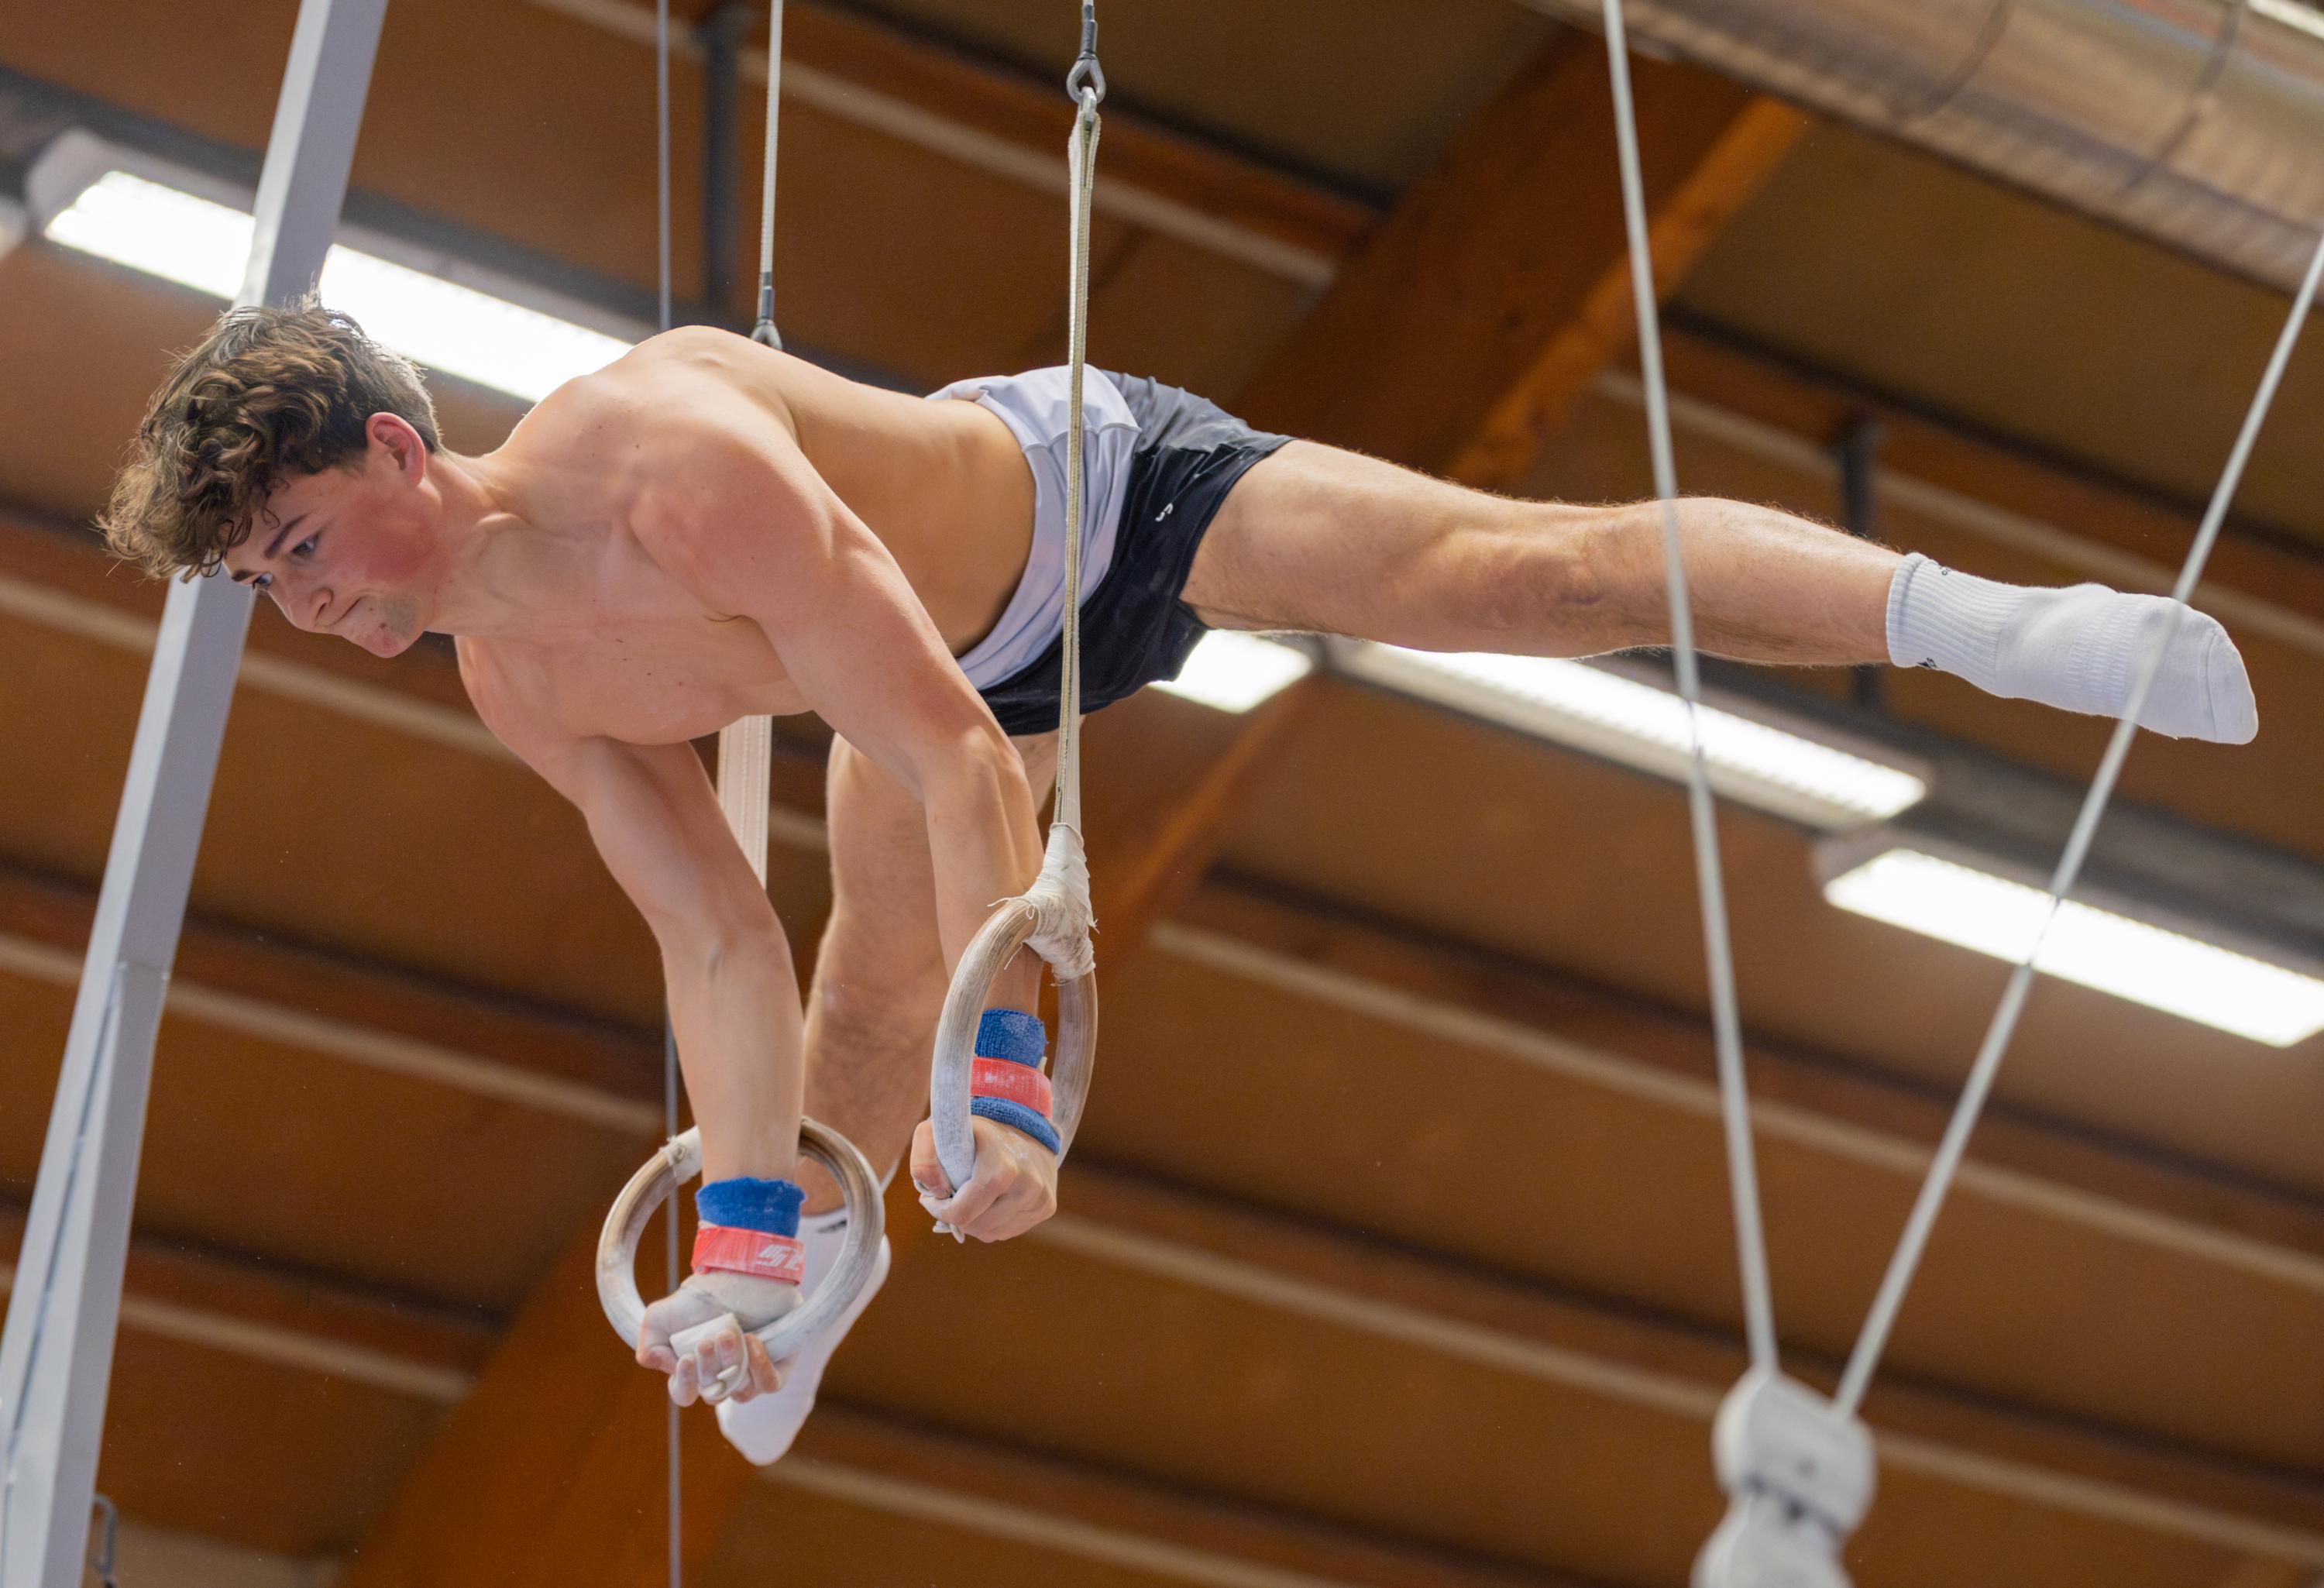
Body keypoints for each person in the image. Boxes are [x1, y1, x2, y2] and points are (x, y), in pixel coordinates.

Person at [100, 301, 2257, 1461]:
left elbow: (959, 755)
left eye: (299, 543)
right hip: (935, 681)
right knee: (853, 1004)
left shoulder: (668, 468)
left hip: (1097, 506)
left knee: (1528, 580)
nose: (303, 600)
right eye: (261, 583)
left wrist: (1020, 1086)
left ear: (400, 450)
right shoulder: (517, 678)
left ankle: (1984, 621)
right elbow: (716, 945)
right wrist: (742, 1220)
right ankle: (806, 1276)